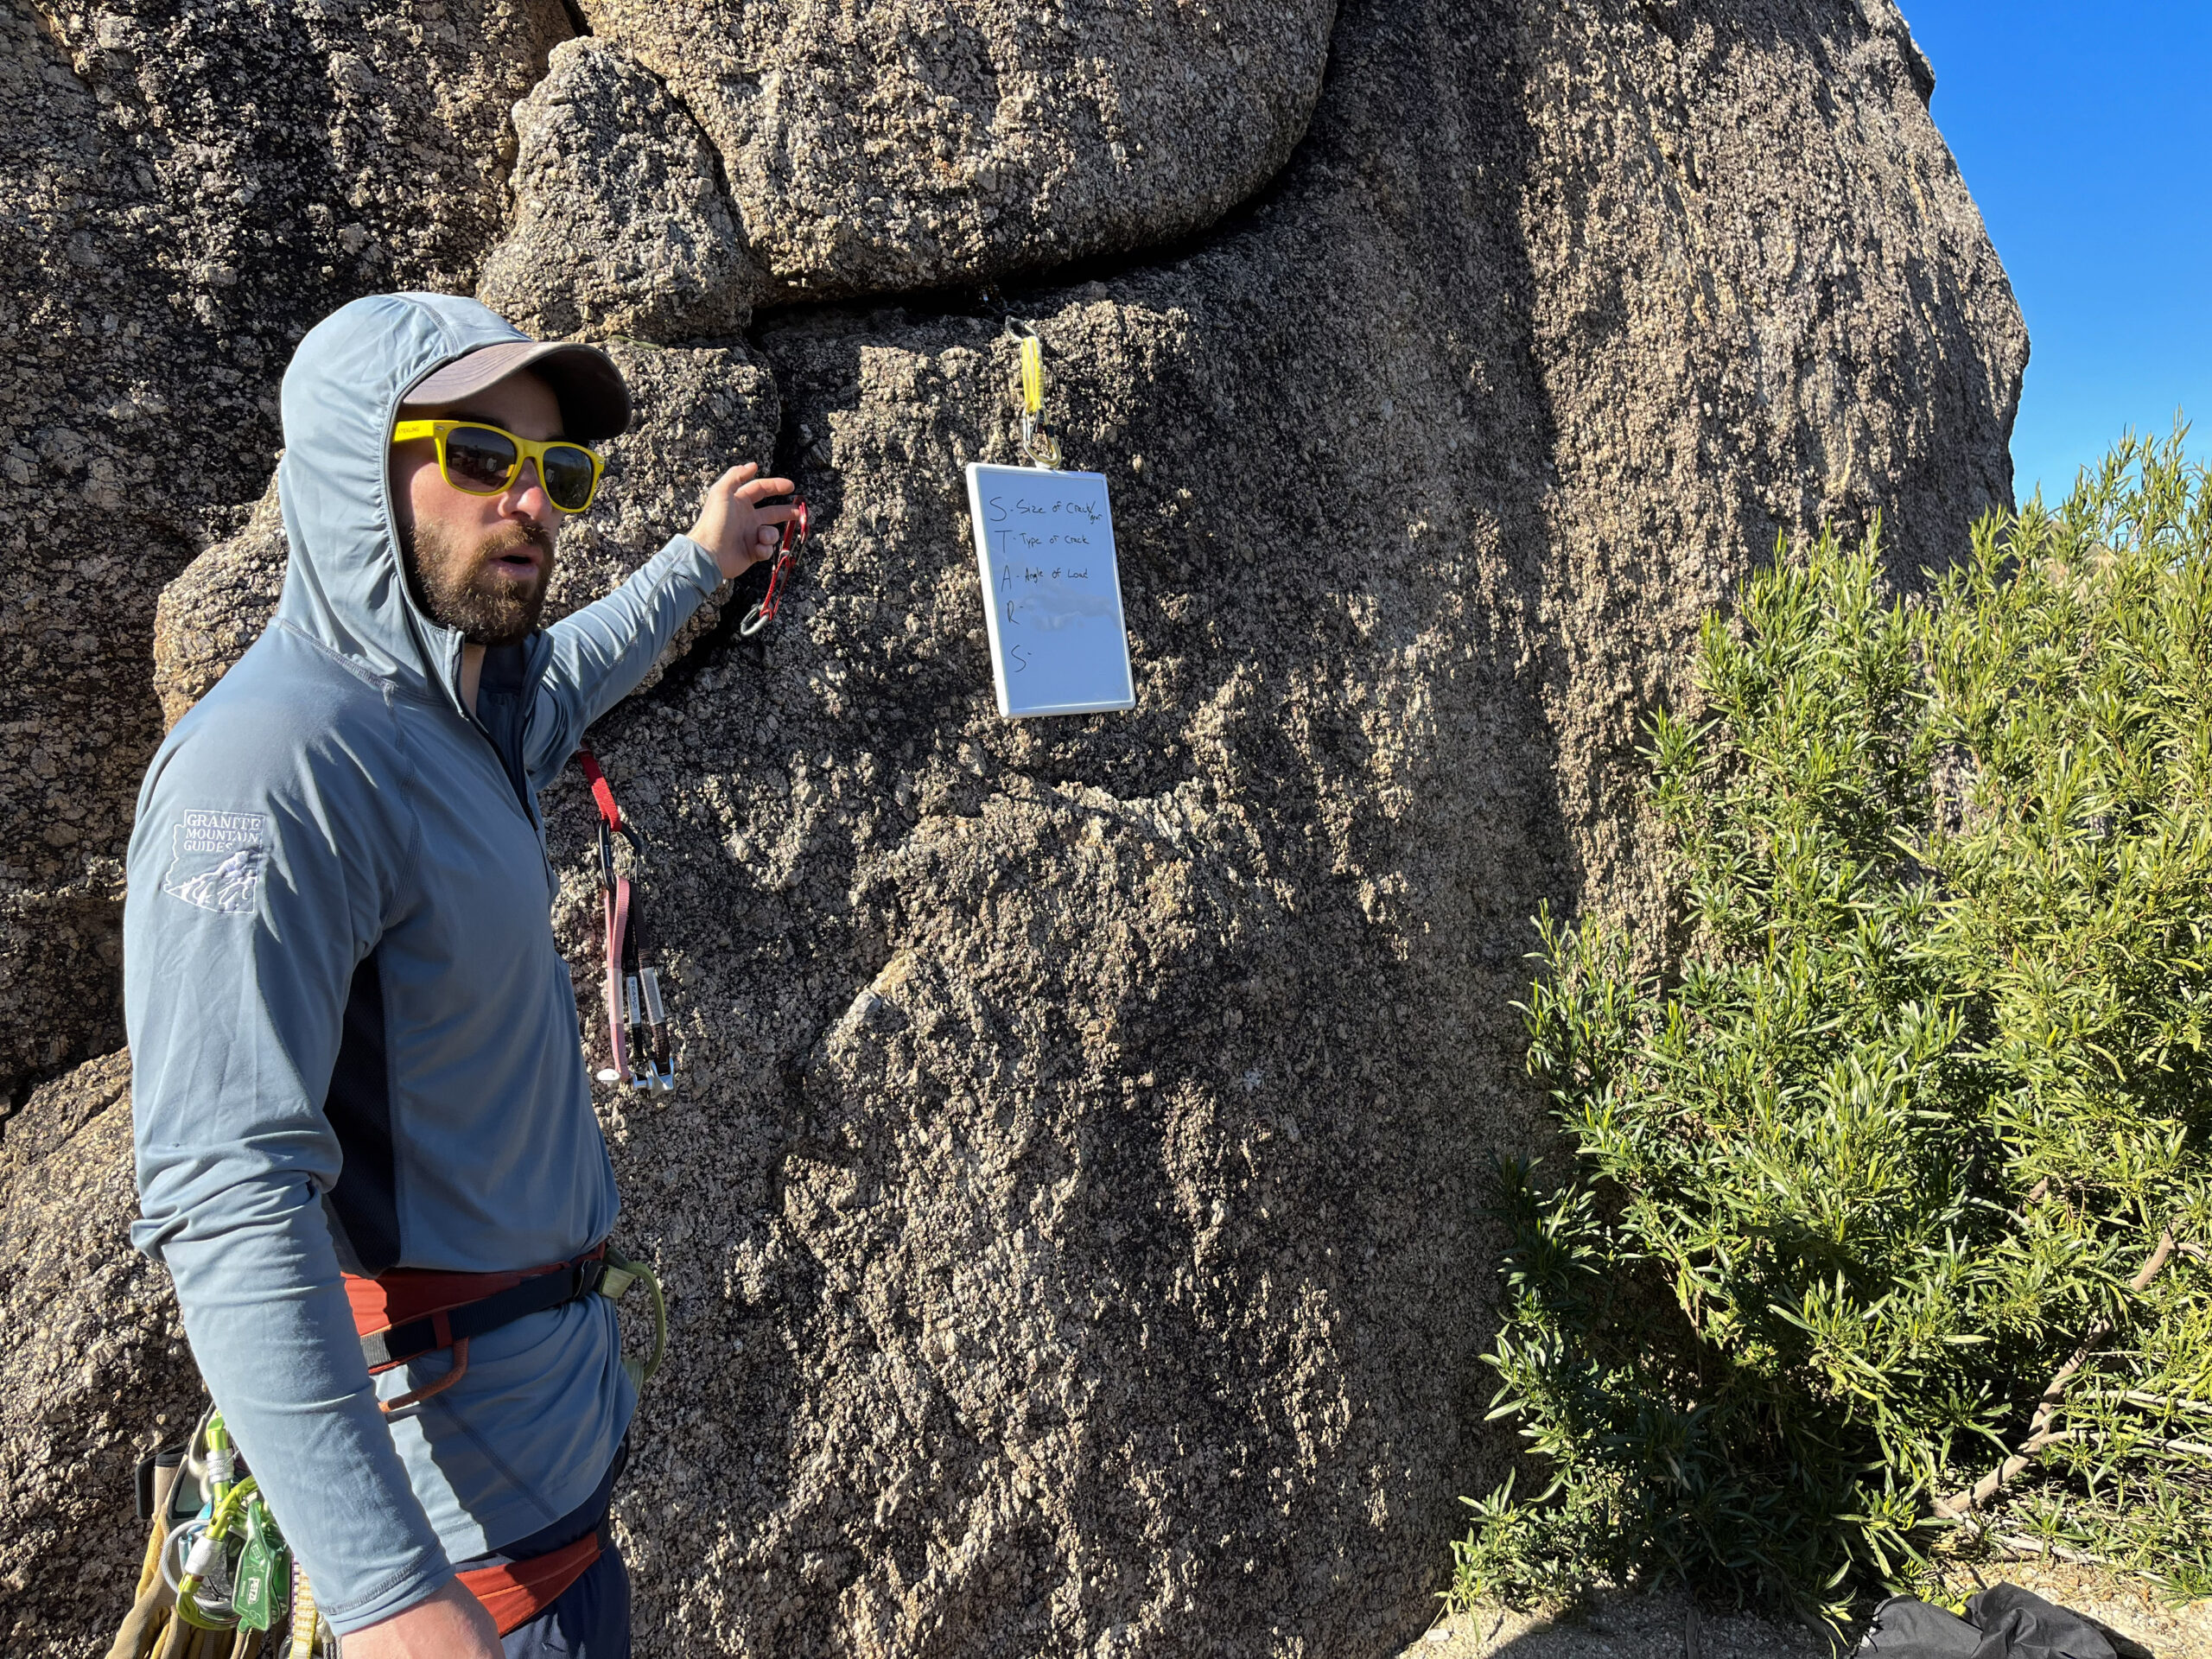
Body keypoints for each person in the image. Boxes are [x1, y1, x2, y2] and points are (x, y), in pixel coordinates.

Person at [124, 292, 795, 1657]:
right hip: (457, 1572)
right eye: (479, 456)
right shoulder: (277, 767)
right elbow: (225, 1194)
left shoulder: (462, 718)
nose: (530, 503)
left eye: (556, 471)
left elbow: (581, 668)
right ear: (354, 462)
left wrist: (701, 561)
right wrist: (388, 1606)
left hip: (545, 1503)